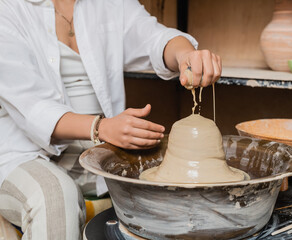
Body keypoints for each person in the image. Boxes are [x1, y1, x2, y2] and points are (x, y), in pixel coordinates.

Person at [0, 0, 222, 239]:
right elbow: (33, 107)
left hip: (101, 151)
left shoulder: (110, 3)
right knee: (54, 194)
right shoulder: (8, 8)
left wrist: (186, 54)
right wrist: (101, 127)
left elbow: (154, 38)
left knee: (175, 191)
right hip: (24, 154)